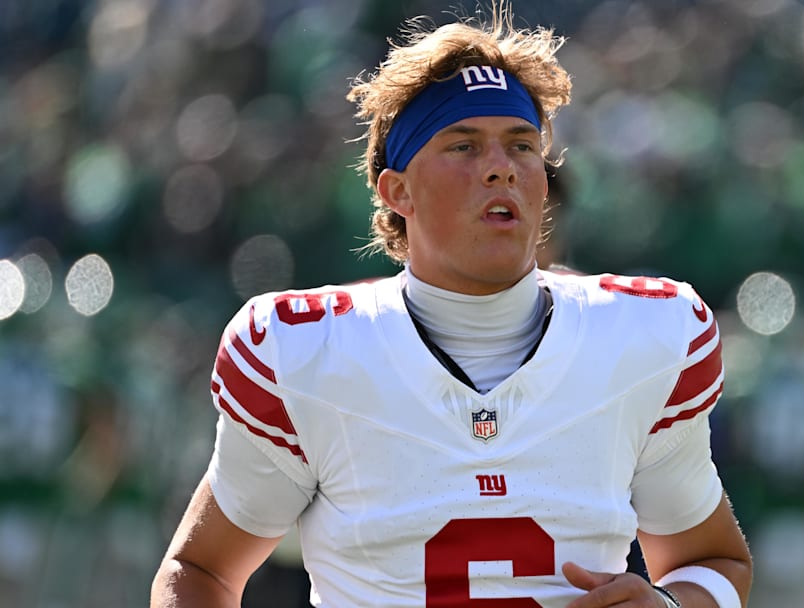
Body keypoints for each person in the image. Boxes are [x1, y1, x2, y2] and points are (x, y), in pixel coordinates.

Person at [150, 4, 753, 607]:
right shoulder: (304, 352)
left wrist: (671, 606)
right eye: (464, 146)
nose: (501, 170)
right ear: (398, 191)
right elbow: (199, 571)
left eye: (521, 145)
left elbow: (714, 560)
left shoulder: (641, 337)